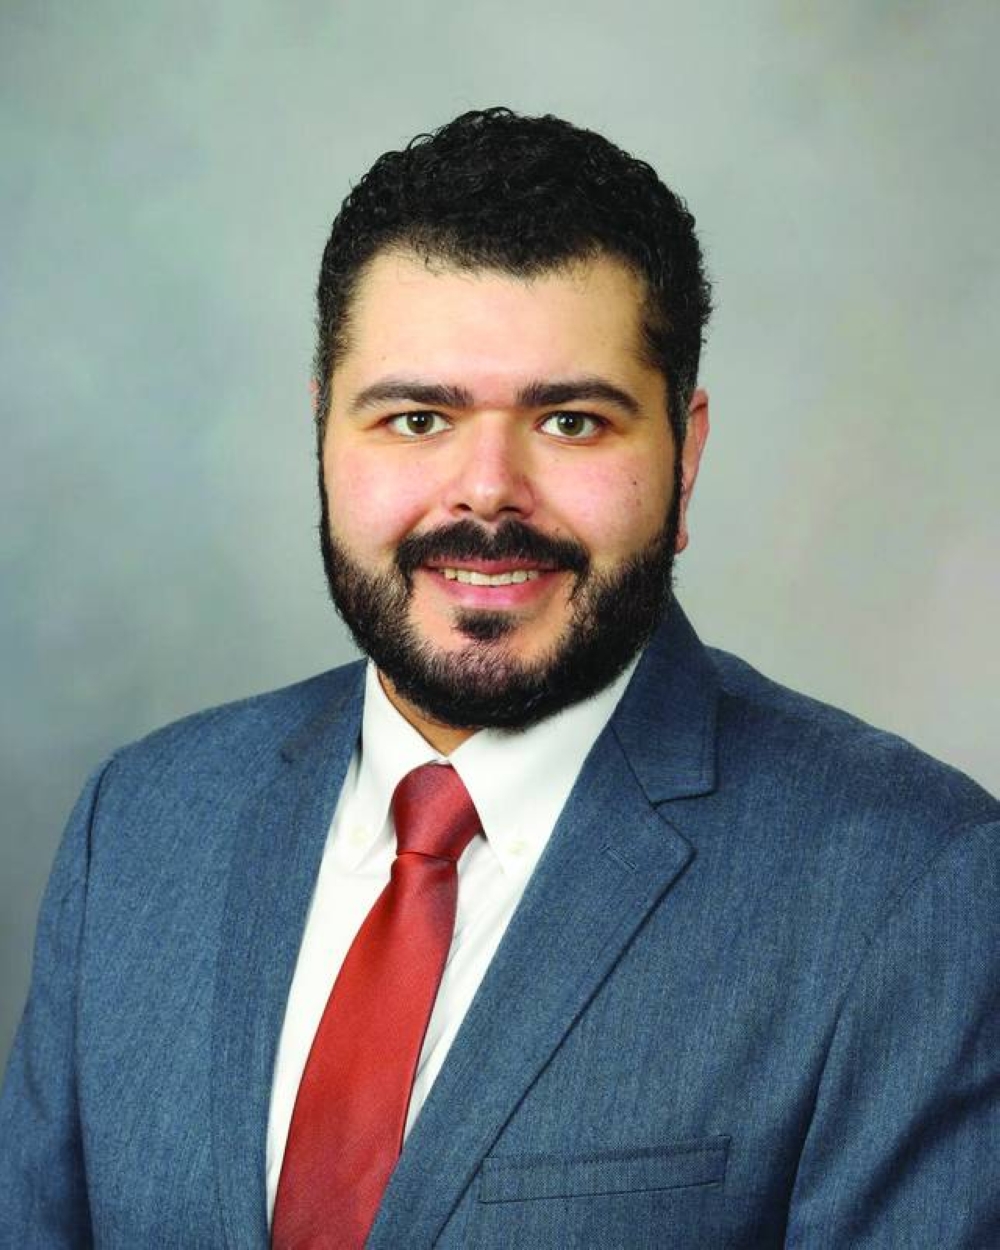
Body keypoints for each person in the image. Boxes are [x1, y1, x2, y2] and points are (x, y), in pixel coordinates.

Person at [1, 107, 997, 1249]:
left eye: (570, 421)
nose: (486, 492)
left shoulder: (914, 888)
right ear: (323, 432)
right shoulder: (139, 826)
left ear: (685, 456)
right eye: (416, 417)